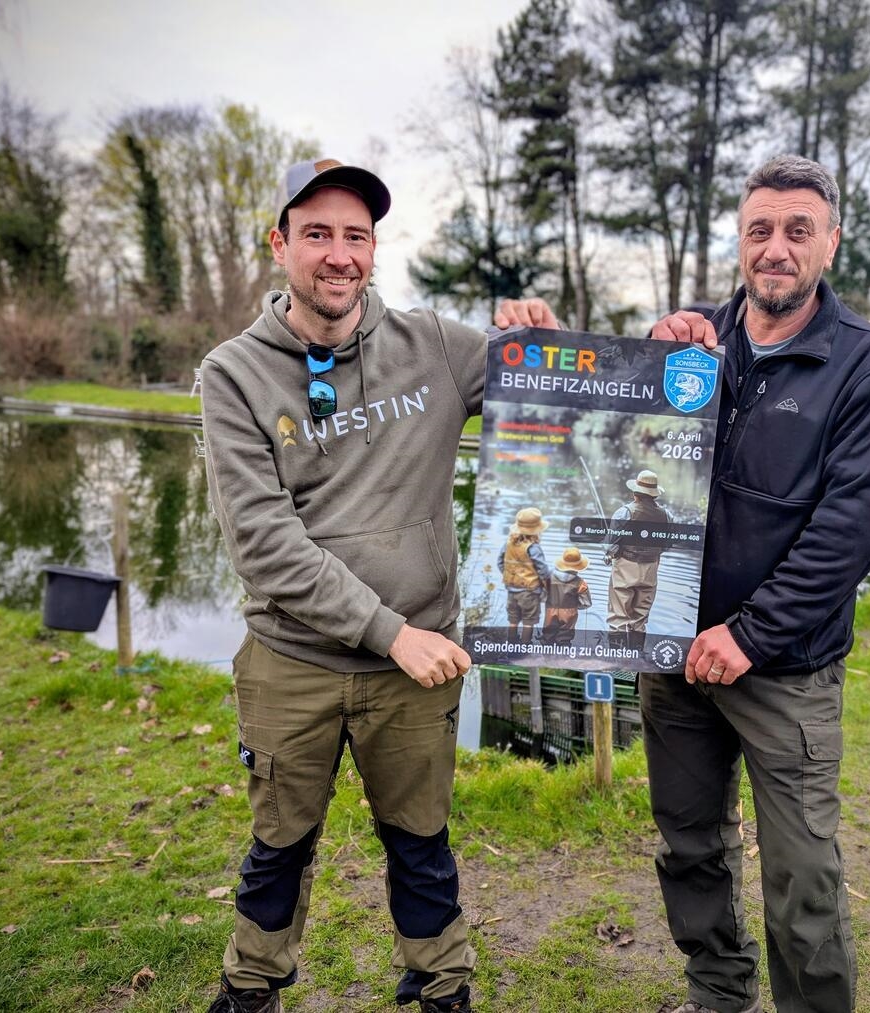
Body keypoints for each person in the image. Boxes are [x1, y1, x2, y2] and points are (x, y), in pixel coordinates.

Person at [199, 158, 554, 1013]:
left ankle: (443, 983)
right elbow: (264, 542)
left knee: (421, 841)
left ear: (372, 249)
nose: (338, 254)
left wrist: (544, 335)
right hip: (297, 660)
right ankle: (251, 987)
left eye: (355, 235)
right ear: (280, 244)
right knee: (278, 845)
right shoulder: (233, 374)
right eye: (316, 233)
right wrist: (392, 630)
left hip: (414, 670)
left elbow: (558, 398)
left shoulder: (433, 344)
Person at [644, 155, 870, 1013]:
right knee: (690, 849)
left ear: (830, 242)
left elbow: (852, 530)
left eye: (798, 229)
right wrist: (642, 382)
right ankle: (718, 994)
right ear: (739, 239)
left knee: (803, 884)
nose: (776, 247)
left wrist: (751, 634)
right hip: (673, 654)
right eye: (760, 228)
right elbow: (629, 476)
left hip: (784, 669)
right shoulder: (690, 347)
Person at [603, 469, 671, 654]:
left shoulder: (624, 512)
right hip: (651, 568)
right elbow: (667, 544)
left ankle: (617, 658)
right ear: (654, 494)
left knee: (618, 615)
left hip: (625, 567)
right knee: (640, 617)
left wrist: (608, 555)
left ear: (635, 492)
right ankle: (636, 657)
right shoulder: (667, 515)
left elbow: (611, 545)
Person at [497, 506, 552, 643]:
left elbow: (500, 562)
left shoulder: (508, 543)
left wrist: (510, 576)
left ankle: (511, 646)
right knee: (529, 622)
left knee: (513, 621)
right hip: (529, 592)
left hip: (511, 590)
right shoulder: (533, 547)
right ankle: (525, 647)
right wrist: (548, 583)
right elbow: (543, 570)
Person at [541, 546, 592, 646]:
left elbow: (541, 596)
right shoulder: (580, 583)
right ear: (578, 566)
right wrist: (575, 605)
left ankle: (545, 656)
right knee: (565, 637)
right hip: (570, 612)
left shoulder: (548, 579)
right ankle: (563, 657)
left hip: (551, 610)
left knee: (547, 635)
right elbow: (586, 603)